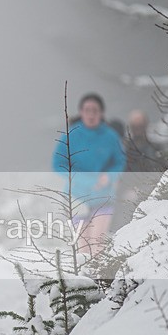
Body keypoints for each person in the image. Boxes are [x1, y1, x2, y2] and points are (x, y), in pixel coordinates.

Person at [52, 93, 126, 258]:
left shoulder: (110, 136)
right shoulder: (71, 135)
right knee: (82, 247)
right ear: (81, 112)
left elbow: (119, 161)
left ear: (101, 113)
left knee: (97, 242)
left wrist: (109, 176)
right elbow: (58, 164)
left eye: (95, 110)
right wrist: (81, 179)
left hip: (103, 196)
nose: (91, 114)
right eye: (87, 110)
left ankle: (100, 280)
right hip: (77, 197)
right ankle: (86, 280)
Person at [111, 110, 167, 231]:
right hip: (126, 196)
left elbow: (162, 172)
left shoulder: (156, 148)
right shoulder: (122, 149)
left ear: (146, 125)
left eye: (140, 125)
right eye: (134, 125)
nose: (137, 128)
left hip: (152, 194)